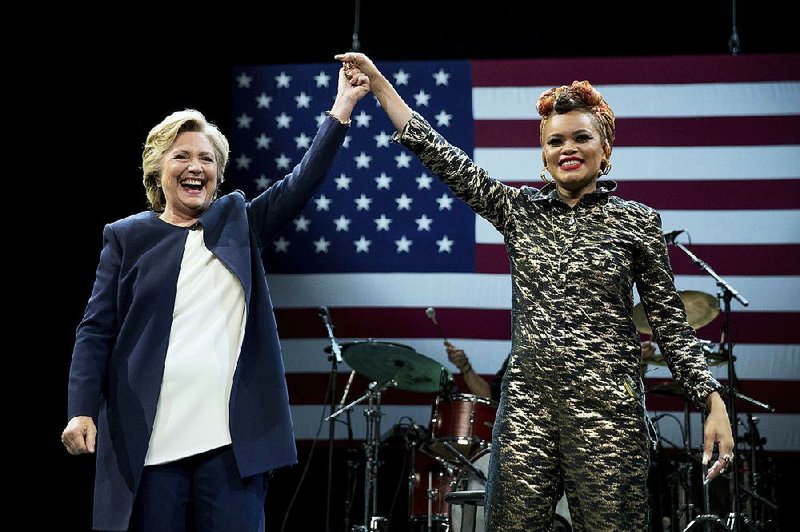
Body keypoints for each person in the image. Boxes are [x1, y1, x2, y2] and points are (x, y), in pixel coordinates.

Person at [336, 52, 734, 531]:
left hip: (609, 418)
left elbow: (671, 322)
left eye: (581, 137)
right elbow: (442, 155)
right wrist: (380, 86)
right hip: (528, 414)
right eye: (556, 140)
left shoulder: (638, 222)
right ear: (543, 154)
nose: (569, 148)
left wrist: (711, 400)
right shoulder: (520, 211)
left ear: (605, 149)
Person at [60, 66, 370, 531]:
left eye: (206, 158)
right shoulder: (126, 237)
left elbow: (301, 183)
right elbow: (95, 329)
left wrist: (341, 107)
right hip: (150, 444)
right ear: (156, 169)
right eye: (181, 156)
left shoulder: (239, 223)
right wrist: (80, 409)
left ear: (218, 172)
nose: (195, 167)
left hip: (231, 448)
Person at [446, 341, 657, 402]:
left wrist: (634, 363)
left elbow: (624, 395)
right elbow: (493, 397)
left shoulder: (593, 342)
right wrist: (465, 368)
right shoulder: (525, 348)